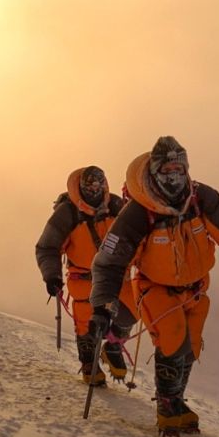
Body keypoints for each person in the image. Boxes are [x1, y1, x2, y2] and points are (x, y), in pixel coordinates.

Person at [89, 137, 219, 436]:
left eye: (180, 170)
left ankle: (176, 400)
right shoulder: (138, 213)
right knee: (173, 339)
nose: (175, 178)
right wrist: (103, 305)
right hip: (155, 287)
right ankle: (167, 407)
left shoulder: (201, 197)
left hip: (196, 288)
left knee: (190, 348)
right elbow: (109, 262)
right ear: (154, 172)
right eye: (167, 171)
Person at [35, 165, 136, 385]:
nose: (95, 189)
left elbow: (138, 234)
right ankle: (90, 362)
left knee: (132, 309)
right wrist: (52, 276)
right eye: (90, 185)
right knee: (86, 322)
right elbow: (47, 247)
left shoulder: (117, 205)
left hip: (117, 276)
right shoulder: (67, 213)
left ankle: (113, 345)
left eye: (99, 184)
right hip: (83, 278)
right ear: (81, 186)